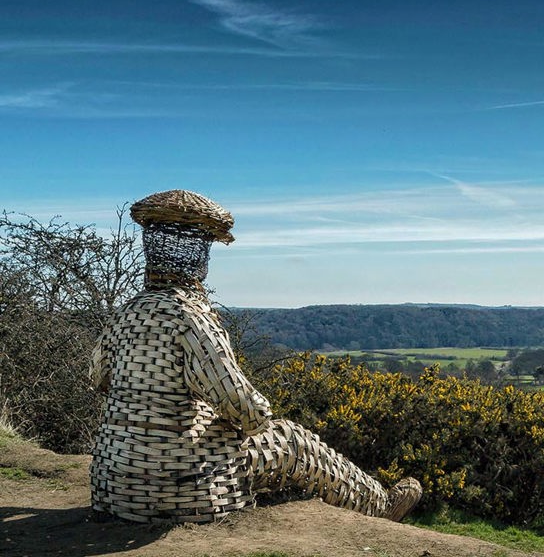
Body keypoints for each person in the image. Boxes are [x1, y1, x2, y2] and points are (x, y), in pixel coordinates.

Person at [90, 189, 421, 523]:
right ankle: (379, 507)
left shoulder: (126, 314)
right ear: (201, 252)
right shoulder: (190, 316)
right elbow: (243, 407)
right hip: (181, 482)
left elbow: (98, 378)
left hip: (116, 479)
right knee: (293, 441)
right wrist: (250, 419)